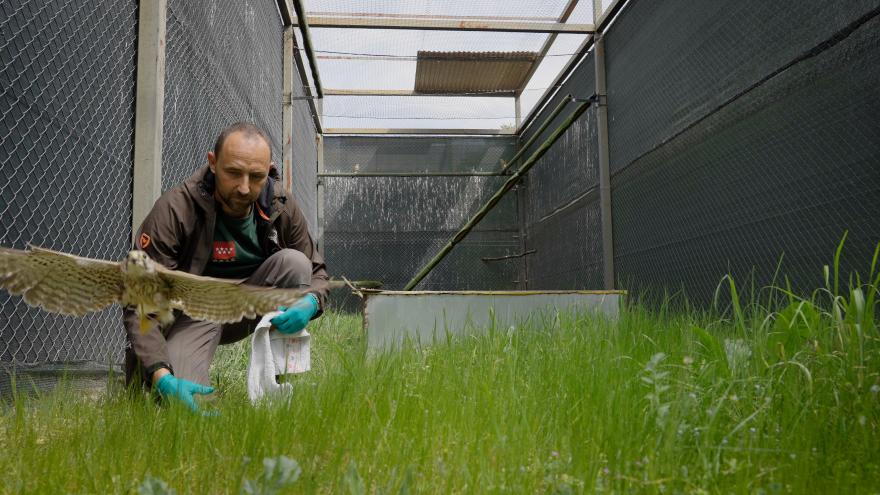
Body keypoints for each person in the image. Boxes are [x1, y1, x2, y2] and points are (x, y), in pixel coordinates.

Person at [123, 122, 328, 412]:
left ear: (268, 171)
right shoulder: (174, 210)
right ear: (213, 163)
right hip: (193, 313)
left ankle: (275, 390)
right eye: (233, 173)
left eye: (255, 176)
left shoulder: (281, 205)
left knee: (295, 263)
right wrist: (160, 374)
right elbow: (140, 303)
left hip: (250, 303)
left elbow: (317, 271)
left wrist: (310, 301)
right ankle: (168, 380)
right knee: (184, 409)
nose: (244, 187)